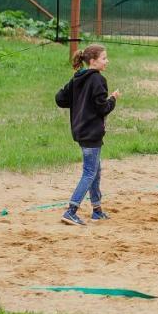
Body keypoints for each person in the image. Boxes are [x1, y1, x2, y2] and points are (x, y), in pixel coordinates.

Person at [54, 44, 119, 227]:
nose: (107, 61)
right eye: (104, 58)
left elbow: (60, 98)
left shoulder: (78, 77)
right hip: (91, 132)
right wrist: (113, 99)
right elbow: (102, 108)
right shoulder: (98, 80)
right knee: (90, 172)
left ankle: (97, 210)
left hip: (80, 130)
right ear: (93, 61)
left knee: (95, 171)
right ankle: (71, 210)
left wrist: (78, 100)